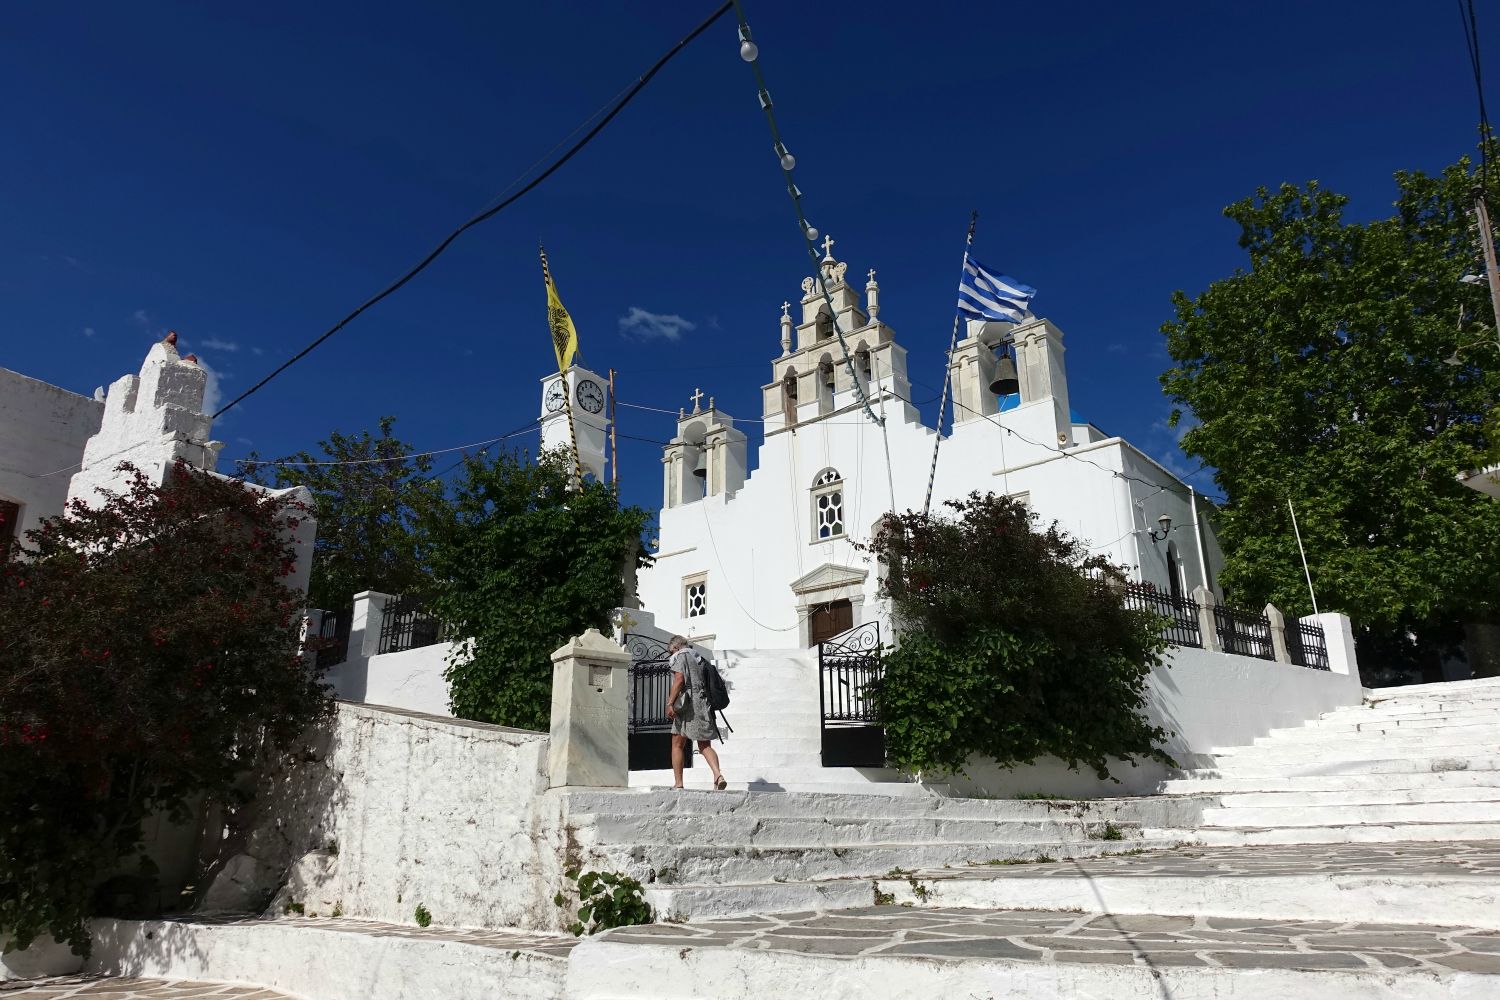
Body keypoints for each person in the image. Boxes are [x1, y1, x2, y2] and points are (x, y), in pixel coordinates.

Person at [664, 635, 726, 790]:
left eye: (670, 651)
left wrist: (670, 703)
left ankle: (679, 783)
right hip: (703, 703)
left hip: (687, 705)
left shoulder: (680, 656)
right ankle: (718, 775)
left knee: (677, 744)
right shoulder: (699, 659)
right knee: (704, 744)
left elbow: (679, 679)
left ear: (676, 647)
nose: (671, 655)